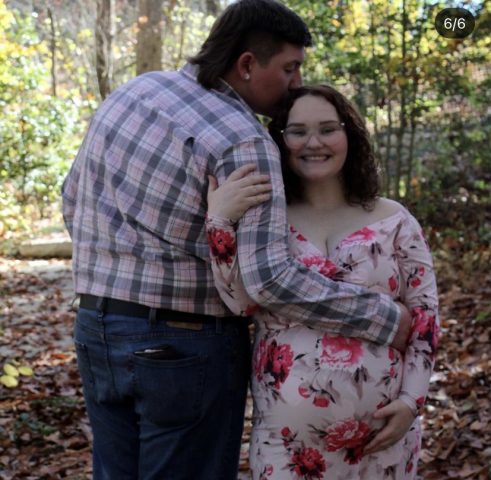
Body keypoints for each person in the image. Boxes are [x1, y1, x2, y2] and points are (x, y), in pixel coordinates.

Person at [61, 0, 411, 478]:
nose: (296, 83)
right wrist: (382, 316)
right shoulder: (243, 139)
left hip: (95, 330)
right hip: (182, 346)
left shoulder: (135, 93)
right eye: (289, 68)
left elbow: (71, 199)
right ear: (247, 64)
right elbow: (269, 279)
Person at [206, 85, 439, 479]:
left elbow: (425, 318)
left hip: (384, 441)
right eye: (297, 132)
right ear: (280, 141)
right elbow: (240, 302)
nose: (313, 143)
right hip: (285, 443)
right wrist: (220, 220)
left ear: (350, 135)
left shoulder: (395, 220)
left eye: (328, 129)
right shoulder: (267, 221)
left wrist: (410, 401)